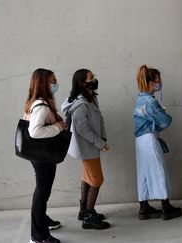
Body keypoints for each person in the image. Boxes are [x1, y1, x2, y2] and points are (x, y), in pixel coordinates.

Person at [61, 69, 110, 230]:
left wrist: (103, 138)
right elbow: (83, 129)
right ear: (82, 83)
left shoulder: (91, 98)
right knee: (97, 179)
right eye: (91, 78)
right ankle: (88, 217)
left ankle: (84, 211)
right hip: (87, 147)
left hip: (91, 146)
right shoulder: (81, 104)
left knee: (87, 177)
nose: (94, 80)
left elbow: (100, 119)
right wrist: (100, 143)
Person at [133, 64, 182, 220]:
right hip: (149, 138)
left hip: (140, 140)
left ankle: (144, 207)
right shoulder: (150, 102)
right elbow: (165, 121)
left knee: (143, 173)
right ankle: (166, 207)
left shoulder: (141, 99)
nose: (159, 83)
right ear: (150, 83)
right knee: (159, 171)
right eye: (157, 80)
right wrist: (165, 114)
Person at [23, 68, 67, 243]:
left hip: (40, 154)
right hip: (42, 155)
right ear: (42, 83)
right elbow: (35, 132)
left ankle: (42, 220)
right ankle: (38, 236)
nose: (55, 83)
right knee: (42, 192)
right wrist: (59, 127)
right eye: (52, 81)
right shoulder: (41, 105)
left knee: (43, 191)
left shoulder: (38, 101)